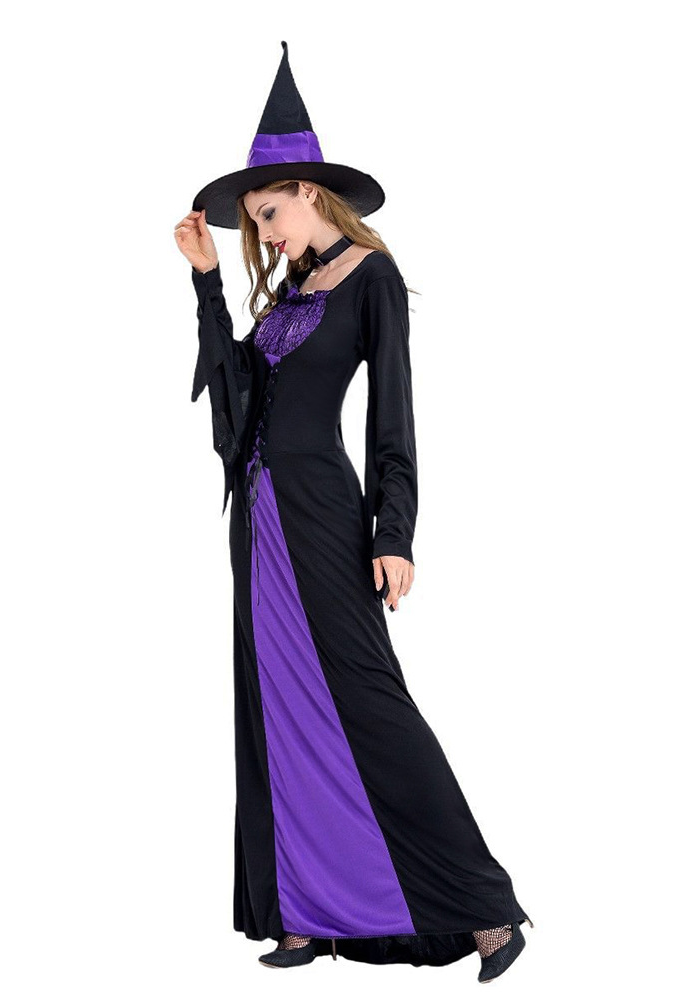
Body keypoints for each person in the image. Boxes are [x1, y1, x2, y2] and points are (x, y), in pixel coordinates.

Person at [174, 41, 533, 981]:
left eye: (269, 213)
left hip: (326, 518)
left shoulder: (371, 278)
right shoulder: (288, 291)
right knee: (275, 701)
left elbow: (391, 419)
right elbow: (236, 396)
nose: (264, 233)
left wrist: (394, 533)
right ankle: (300, 913)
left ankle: (487, 913)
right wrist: (207, 281)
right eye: (254, 221)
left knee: (371, 705)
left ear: (310, 193)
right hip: (258, 521)